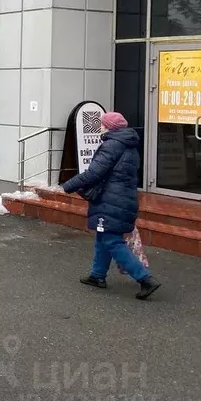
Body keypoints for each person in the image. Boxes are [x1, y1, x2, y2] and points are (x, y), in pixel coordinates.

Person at [62, 111, 161, 300]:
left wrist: (68, 185)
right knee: (104, 236)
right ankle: (97, 275)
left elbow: (94, 173)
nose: (100, 126)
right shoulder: (128, 144)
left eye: (102, 124)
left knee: (111, 240)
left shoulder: (112, 145)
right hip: (122, 197)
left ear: (109, 127)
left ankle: (145, 279)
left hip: (111, 199)